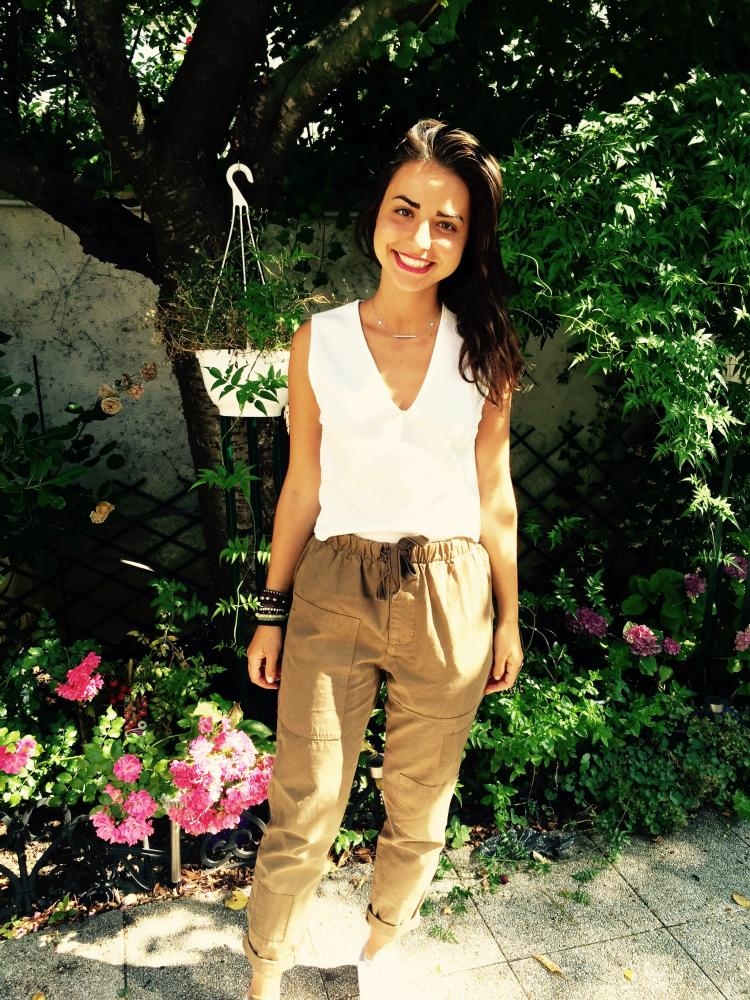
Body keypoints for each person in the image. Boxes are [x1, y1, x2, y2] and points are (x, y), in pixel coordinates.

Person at [243, 118, 525, 1000]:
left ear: (468, 241)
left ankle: (378, 950)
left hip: (451, 593)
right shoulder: (319, 340)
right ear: (377, 213)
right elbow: (302, 484)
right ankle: (264, 975)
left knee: (420, 801)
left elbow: (495, 496)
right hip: (335, 585)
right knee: (305, 803)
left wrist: (509, 619)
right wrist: (271, 610)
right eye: (406, 210)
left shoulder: (484, 349)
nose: (420, 237)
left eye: (447, 223)